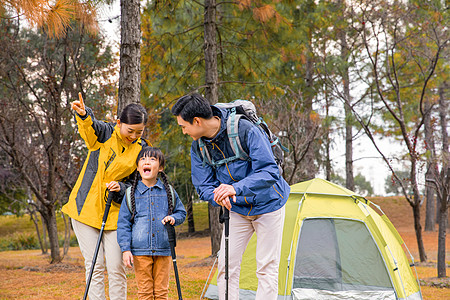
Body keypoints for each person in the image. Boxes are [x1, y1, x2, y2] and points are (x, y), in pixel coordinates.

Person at [171, 93, 290, 300]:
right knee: (226, 266)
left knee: (266, 268)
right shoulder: (198, 146)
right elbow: (203, 185)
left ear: (197, 121)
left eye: (184, 126)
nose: (183, 131)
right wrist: (217, 195)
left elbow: (270, 171)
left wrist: (235, 188)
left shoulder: (245, 130)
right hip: (235, 209)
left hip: (269, 204)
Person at [61, 94, 149, 300]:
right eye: (130, 130)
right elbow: (91, 127)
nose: (134, 135)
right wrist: (84, 115)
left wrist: (121, 187)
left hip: (116, 214)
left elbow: (140, 185)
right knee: (95, 264)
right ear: (119, 123)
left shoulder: (142, 149)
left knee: (116, 267)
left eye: (139, 132)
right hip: (85, 209)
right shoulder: (105, 134)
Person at [117, 146, 186, 300]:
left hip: (164, 249)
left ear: (160, 168)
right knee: (145, 293)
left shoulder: (168, 191)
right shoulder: (130, 194)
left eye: (152, 159)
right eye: (143, 159)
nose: (146, 162)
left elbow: (181, 212)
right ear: (137, 167)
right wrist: (125, 249)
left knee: (161, 292)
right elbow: (123, 224)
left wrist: (173, 218)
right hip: (140, 252)